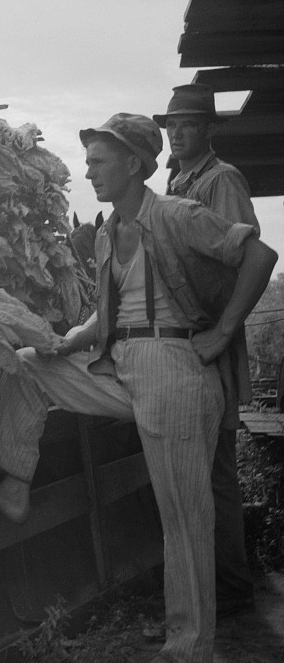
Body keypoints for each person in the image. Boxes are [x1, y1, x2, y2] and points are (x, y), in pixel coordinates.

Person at [0, 113, 278, 663]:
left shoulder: (179, 215)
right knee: (25, 364)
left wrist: (226, 329)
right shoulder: (109, 232)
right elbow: (109, 311)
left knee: (184, 516)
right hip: (121, 362)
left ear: (134, 163)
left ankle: (190, 649)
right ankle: (15, 483)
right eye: (88, 163)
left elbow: (260, 255)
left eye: (99, 161)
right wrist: (67, 342)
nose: (89, 173)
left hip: (175, 367)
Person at [155, 83, 259, 619]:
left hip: (210, 339)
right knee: (201, 464)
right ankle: (221, 584)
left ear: (209, 130)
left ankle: (231, 588)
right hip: (190, 340)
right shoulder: (178, 180)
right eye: (171, 125)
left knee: (214, 468)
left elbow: (247, 256)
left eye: (188, 124)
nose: (176, 133)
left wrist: (222, 330)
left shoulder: (222, 180)